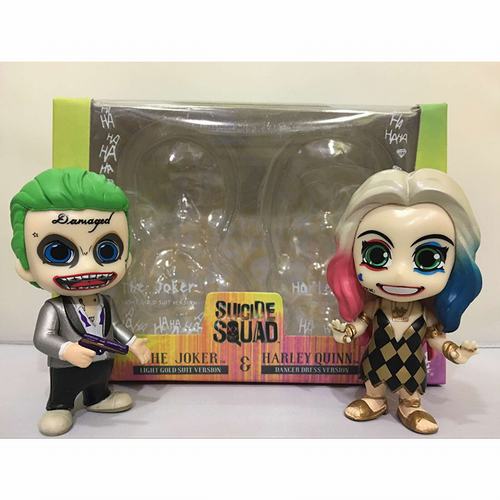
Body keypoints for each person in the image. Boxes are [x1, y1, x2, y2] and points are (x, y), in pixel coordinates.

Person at [327, 168, 482, 434]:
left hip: (411, 363)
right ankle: (374, 399)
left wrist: (454, 352)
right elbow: (362, 323)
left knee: (410, 388)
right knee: (374, 379)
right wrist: (348, 332)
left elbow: (435, 336)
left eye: (428, 258)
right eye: (377, 255)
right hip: (377, 359)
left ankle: (411, 406)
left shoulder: (425, 314)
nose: (400, 274)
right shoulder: (375, 306)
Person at [10, 168, 151, 436]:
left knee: (99, 382)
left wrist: (133, 342)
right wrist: (66, 350)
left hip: (102, 361)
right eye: (58, 252)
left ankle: (98, 397)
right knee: (63, 389)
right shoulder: (54, 309)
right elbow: (42, 338)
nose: (88, 267)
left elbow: (116, 326)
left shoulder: (106, 302)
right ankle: (59, 406)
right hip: (67, 365)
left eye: (107, 250)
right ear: (26, 267)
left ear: (127, 257)